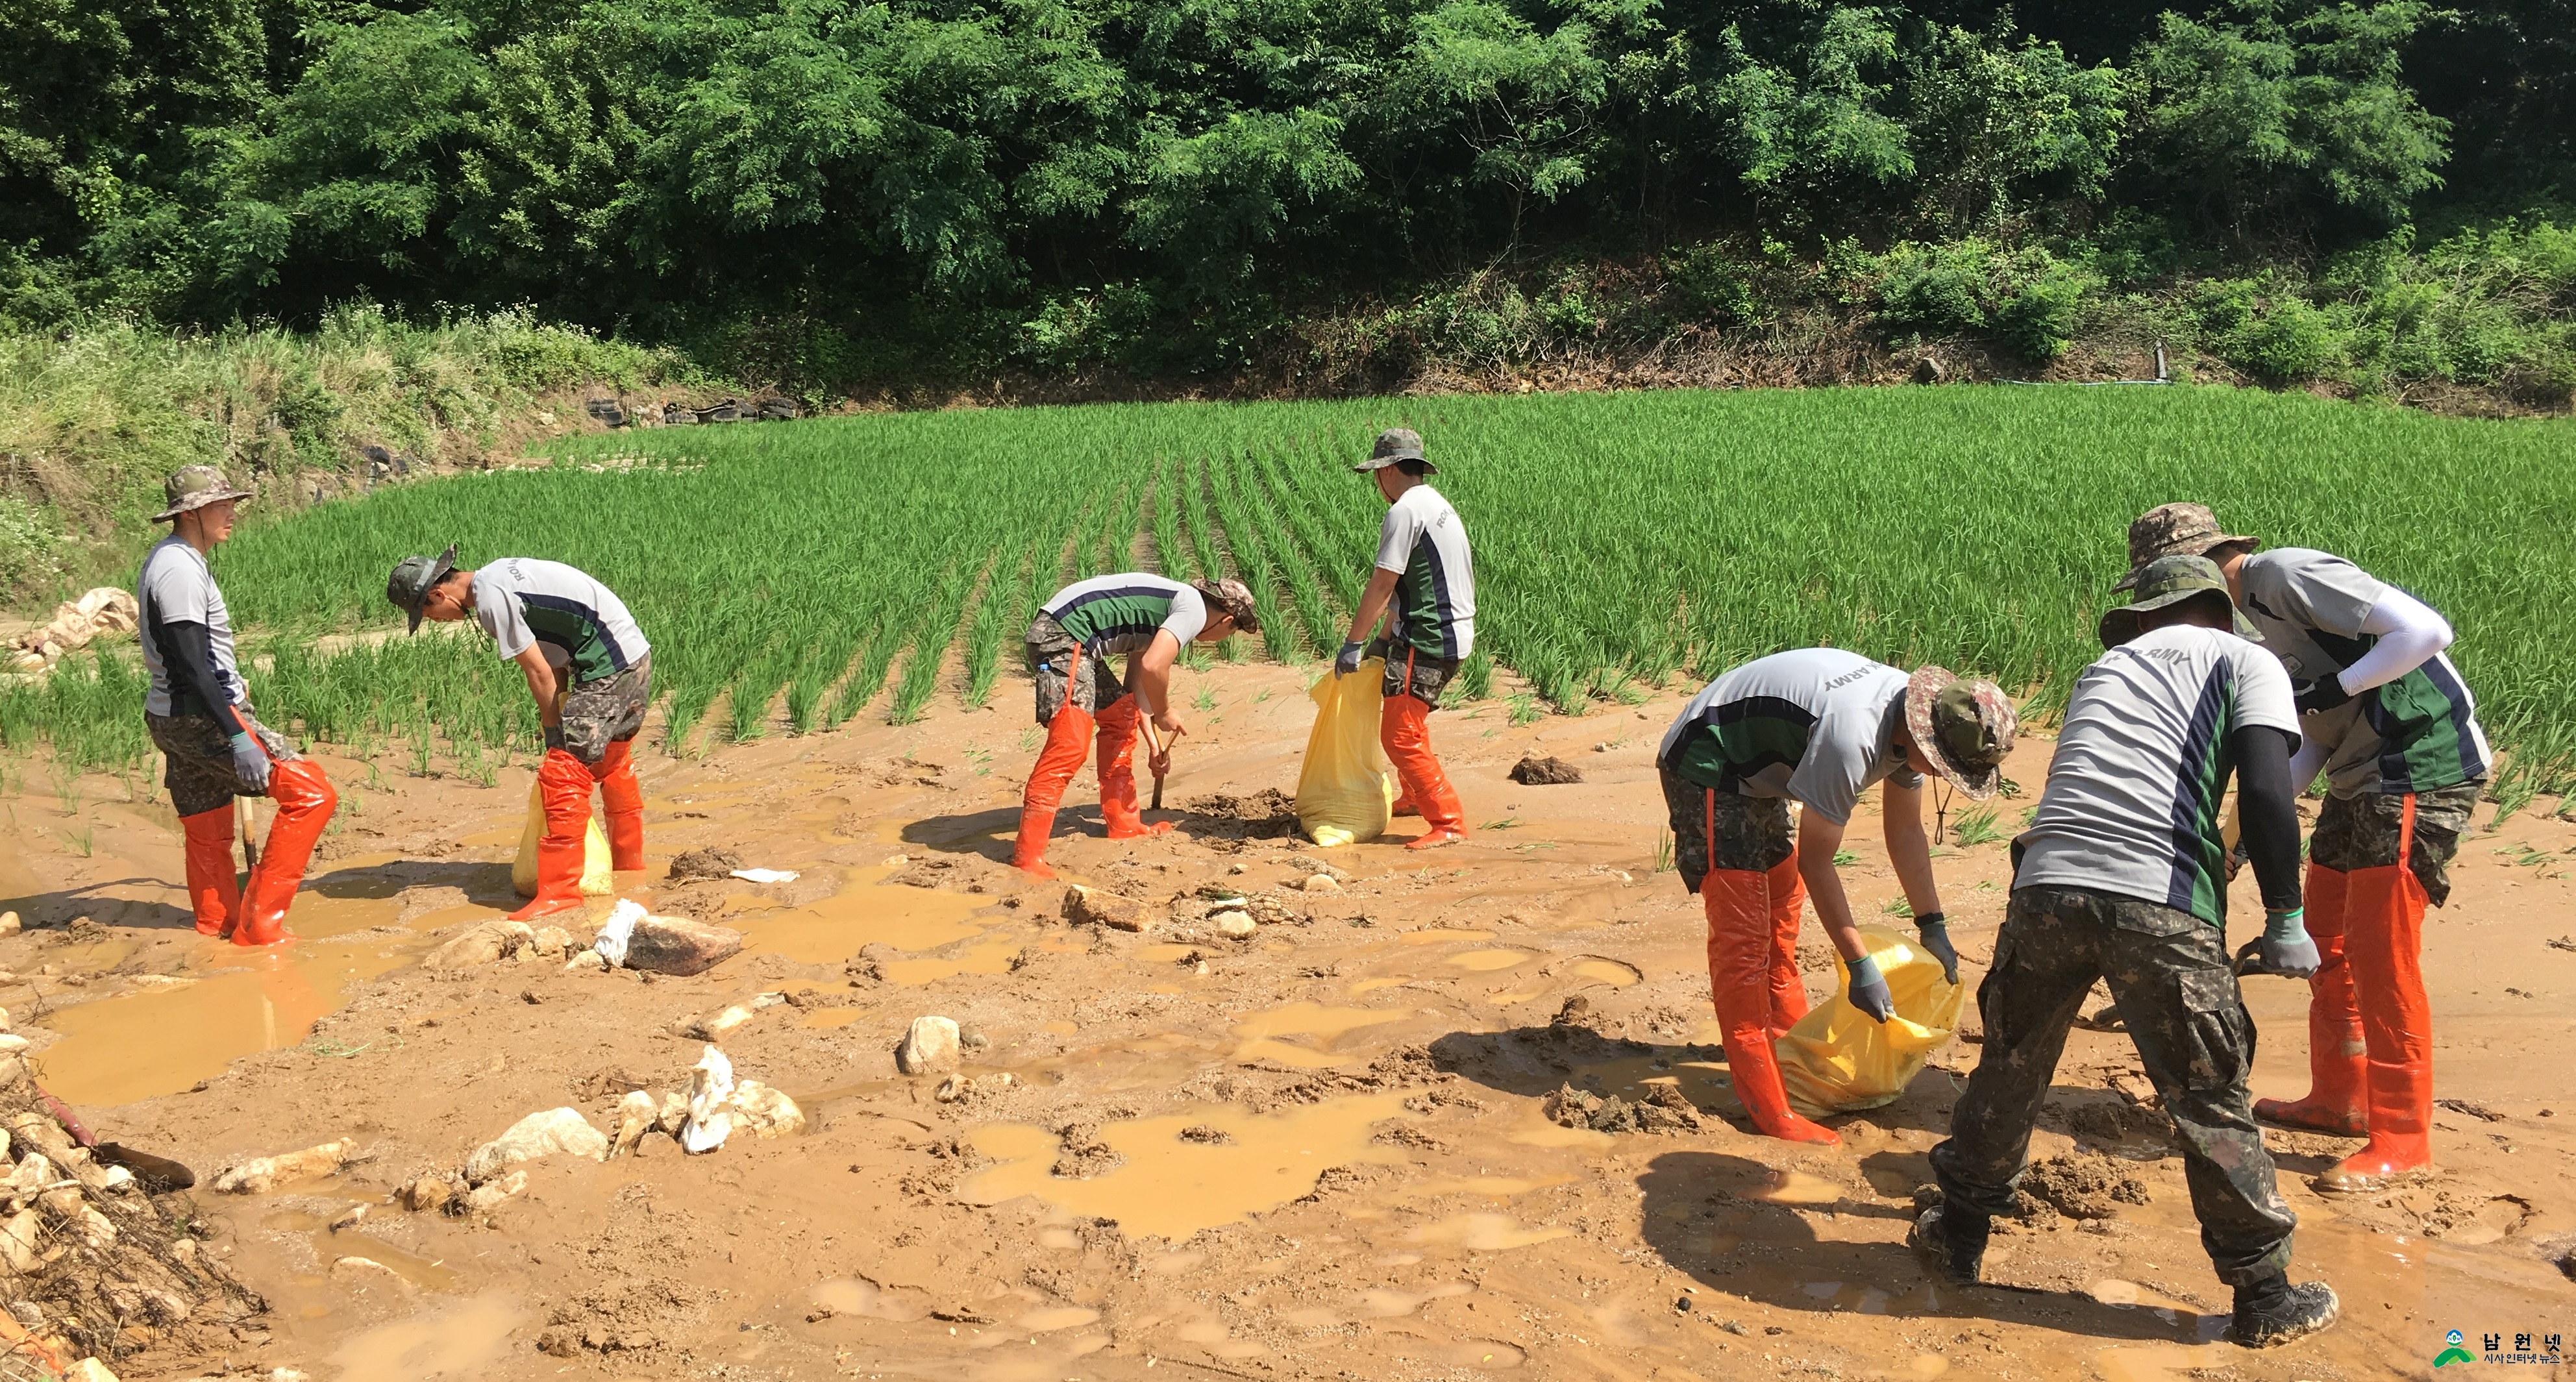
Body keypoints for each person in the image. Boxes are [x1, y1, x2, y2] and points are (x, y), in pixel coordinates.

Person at [1915, 554, 2338, 1348]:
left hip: (2043, 882)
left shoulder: (2101, 668)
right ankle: (2262, 1292)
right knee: (2206, 1091)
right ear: (2216, 609)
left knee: (2010, 1061)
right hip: (2157, 894)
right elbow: (2266, 790)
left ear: (2143, 618)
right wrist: (2285, 912)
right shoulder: (2246, 658)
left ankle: (1958, 1231)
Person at [2114, 503, 2486, 1192]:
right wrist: (2235, 842)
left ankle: (2402, 1140)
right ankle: (2338, 1099)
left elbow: (2427, 631)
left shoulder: (2281, 574)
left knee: (2380, 951)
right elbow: (2311, 739)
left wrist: (2331, 686)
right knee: (2324, 936)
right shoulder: (2252, 632)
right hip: (2356, 771)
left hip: (2415, 763)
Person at [1655, 647, 2014, 1146]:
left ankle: (1790, 1059)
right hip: (1711, 757)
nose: (1938, 774)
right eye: (1942, 766)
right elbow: (1817, 859)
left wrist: (1932, 922)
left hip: (1763, 770)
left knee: (1781, 910)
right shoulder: (1853, 737)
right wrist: (1860, 964)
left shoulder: (1916, 726)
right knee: (1744, 941)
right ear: (1922, 734)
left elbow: (1905, 829)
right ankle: (1770, 1108)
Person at [386, 548, 652, 920]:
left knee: (562, 774)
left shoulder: (492, 600)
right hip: (633, 655)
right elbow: (554, 659)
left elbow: (539, 674)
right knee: (611, 761)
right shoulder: (499, 577)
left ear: (438, 595)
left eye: (427, 613)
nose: (435, 620)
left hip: (608, 665)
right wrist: (560, 716)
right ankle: (629, 865)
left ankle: (561, 891)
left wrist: (552, 735)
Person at [138, 467, 339, 945]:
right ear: (190, 513)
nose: (232, 513)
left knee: (207, 825)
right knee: (311, 795)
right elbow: (190, 662)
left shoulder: (175, 558)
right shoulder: (180, 569)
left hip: (171, 715)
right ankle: (260, 927)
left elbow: (191, 654)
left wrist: (229, 675)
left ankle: (217, 925)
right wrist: (235, 733)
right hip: (203, 716)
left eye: (232, 503)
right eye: (220, 505)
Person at [1013, 573, 1261, 879]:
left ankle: (1125, 824)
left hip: (1073, 640)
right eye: (1233, 633)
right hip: (1062, 636)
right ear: (1227, 621)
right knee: (1070, 746)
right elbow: (1154, 666)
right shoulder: (1194, 610)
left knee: (1119, 717)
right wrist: (1166, 711)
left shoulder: (1167, 614)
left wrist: (1154, 743)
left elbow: (1135, 689)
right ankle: (1028, 857)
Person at [1333, 428, 1476, 850]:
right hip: (1447, 631)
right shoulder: (1434, 504)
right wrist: (1382, 640)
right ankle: (1414, 795)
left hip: (1429, 638)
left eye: (1377, 473)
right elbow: (1411, 587)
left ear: (1389, 470)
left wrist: (1353, 644)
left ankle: (1447, 819)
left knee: (1398, 734)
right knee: (1408, 719)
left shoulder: (1403, 512)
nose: (1376, 483)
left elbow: (1382, 584)